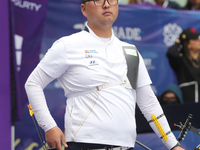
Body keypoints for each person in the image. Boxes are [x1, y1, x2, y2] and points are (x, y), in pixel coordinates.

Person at [25, 0, 184, 150]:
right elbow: (33, 83)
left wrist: (173, 145)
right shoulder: (67, 45)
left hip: (125, 144)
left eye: (112, 0)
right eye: (99, 0)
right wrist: (49, 126)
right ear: (84, 9)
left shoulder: (130, 52)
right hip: (83, 143)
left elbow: (149, 103)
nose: (107, 5)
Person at [167, 28, 200, 103]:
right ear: (187, 43)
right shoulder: (181, 60)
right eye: (194, 39)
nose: (199, 41)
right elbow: (171, 53)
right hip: (189, 100)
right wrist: (179, 41)